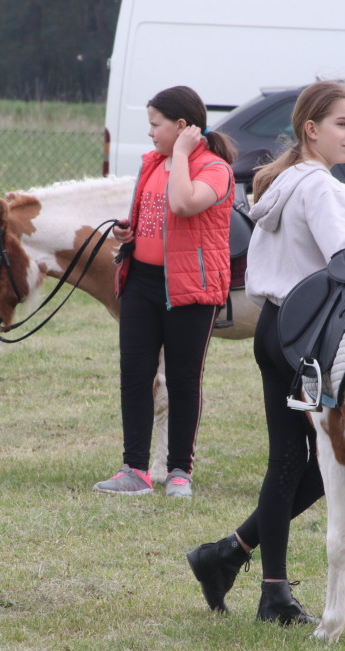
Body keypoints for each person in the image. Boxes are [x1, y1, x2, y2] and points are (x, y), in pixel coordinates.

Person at [186, 81, 345, 623]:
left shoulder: (284, 181)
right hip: (306, 335)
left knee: (294, 460)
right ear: (311, 129)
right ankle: (269, 591)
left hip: (273, 328)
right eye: (342, 124)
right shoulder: (323, 190)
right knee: (327, 458)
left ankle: (233, 557)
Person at [94, 85, 236, 498]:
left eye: (156, 125)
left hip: (191, 288)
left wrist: (180, 156)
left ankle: (179, 473)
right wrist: (128, 231)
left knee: (182, 379)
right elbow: (156, 216)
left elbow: (183, 205)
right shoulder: (152, 164)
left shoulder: (215, 169)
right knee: (135, 376)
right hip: (142, 283)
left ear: (182, 126)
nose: (151, 134)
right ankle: (134, 470)